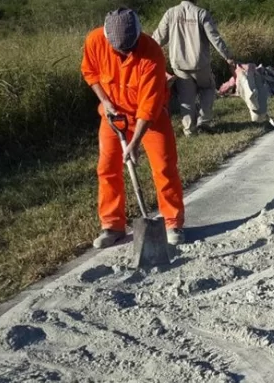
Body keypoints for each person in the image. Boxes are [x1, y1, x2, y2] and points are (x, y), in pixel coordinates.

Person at [81, 8, 186, 248]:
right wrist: (105, 102)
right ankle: (112, 226)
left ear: (138, 35)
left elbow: (149, 106)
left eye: (130, 47)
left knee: (164, 167)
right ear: (107, 37)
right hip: (114, 116)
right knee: (107, 168)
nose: (125, 52)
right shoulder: (95, 40)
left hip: (151, 120)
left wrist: (135, 143)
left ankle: (172, 222)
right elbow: (90, 73)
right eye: (120, 49)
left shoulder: (152, 53)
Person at [152, 0, 236, 137]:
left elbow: (157, 39)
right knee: (208, 88)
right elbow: (215, 38)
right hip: (200, 64)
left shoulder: (170, 13)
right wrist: (228, 57)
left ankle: (189, 130)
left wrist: (144, 53)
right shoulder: (201, 13)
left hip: (179, 64)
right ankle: (203, 120)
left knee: (186, 98)